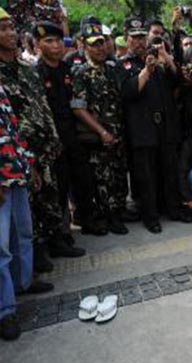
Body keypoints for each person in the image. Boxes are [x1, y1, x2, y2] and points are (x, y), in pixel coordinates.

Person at [0, 11, 79, 274]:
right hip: (18, 154)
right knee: (28, 209)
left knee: (51, 197)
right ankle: (32, 258)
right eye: (3, 29)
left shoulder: (26, 69)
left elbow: (43, 107)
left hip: (46, 147)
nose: (10, 33)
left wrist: (53, 140)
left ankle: (54, 242)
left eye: (11, 27)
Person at [34, 21, 100, 241]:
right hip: (51, 139)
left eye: (58, 40)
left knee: (83, 179)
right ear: (38, 45)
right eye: (49, 41)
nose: (56, 46)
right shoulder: (36, 73)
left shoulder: (67, 70)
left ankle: (86, 219)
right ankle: (60, 234)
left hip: (73, 134)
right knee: (58, 188)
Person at [119, 16, 185, 233]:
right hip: (142, 130)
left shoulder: (158, 59)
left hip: (164, 127)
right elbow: (129, 92)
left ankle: (173, 209)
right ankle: (151, 217)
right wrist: (147, 70)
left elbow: (177, 81)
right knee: (146, 177)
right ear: (126, 39)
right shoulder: (124, 64)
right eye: (134, 37)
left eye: (141, 37)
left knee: (168, 170)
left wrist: (166, 57)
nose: (139, 42)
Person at [71, 20, 130, 236]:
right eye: (94, 44)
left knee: (119, 175)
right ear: (84, 46)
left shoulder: (112, 69)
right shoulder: (81, 73)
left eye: (103, 43)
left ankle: (119, 212)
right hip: (99, 137)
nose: (100, 48)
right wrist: (101, 131)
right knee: (103, 179)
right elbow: (78, 108)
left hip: (118, 133)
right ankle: (109, 216)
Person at [0, 82, 37, 341]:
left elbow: (13, 131)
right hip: (1, 181)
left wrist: (29, 165)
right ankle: (5, 310)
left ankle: (22, 284)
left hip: (17, 175)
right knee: (0, 248)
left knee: (22, 233)